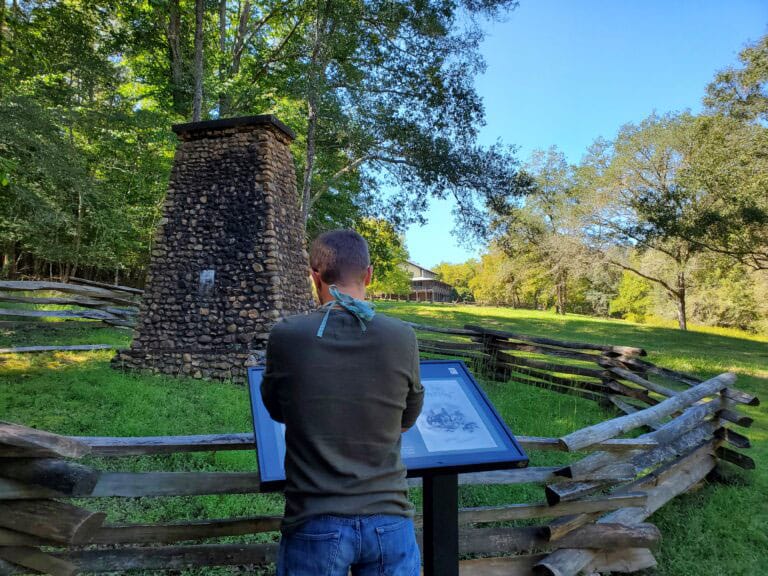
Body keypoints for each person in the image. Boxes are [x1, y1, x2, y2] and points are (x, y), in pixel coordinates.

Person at [261, 229, 424, 576]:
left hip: (314, 517)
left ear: (314, 276)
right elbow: (408, 415)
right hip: (389, 518)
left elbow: (276, 409)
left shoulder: (287, 335)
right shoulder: (402, 336)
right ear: (368, 274)